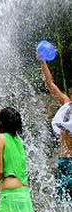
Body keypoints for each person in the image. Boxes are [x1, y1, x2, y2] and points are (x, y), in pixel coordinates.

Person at [38, 59, 72, 201]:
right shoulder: (66, 104)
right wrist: (43, 63)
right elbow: (50, 84)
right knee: (61, 204)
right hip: (64, 162)